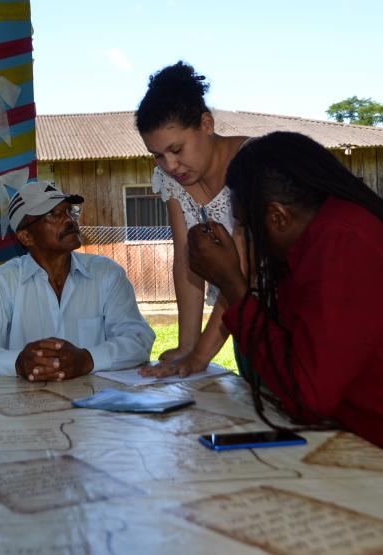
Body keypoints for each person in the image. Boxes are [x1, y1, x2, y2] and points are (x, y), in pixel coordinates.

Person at [187, 131, 383, 482]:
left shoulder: (342, 240)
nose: (246, 236)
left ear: (278, 217)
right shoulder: (325, 234)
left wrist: (234, 287)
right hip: (365, 450)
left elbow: (307, 396)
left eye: (247, 225)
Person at [0, 181, 155, 381]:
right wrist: (17, 363)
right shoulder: (2, 282)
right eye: (53, 214)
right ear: (26, 237)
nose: (69, 220)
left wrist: (87, 359)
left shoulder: (107, 273)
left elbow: (138, 338)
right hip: (26, 407)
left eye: (70, 212)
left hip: (96, 407)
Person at [134, 61, 249, 378]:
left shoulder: (250, 163)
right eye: (158, 155)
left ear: (207, 125)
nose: (170, 165)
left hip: (297, 316)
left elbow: (240, 271)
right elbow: (186, 259)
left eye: (176, 149)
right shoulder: (174, 181)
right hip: (246, 319)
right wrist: (188, 345)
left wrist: (200, 356)